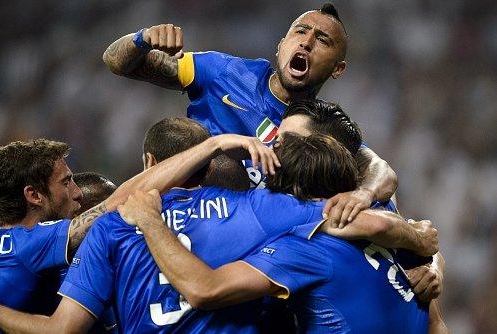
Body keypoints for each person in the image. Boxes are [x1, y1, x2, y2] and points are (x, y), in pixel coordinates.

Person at [0, 133, 437, 333]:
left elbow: (61, 332)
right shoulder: (262, 210)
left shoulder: (111, 227)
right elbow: (351, 221)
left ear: (150, 165)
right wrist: (419, 241)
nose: (78, 193)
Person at [103, 3, 398, 224]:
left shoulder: (323, 126)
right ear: (281, 46)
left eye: (322, 40)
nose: (306, 42)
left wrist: (364, 194)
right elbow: (116, 62)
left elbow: (382, 174)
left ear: (338, 68)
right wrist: (142, 39)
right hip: (183, 217)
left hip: (256, 248)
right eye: (300, 31)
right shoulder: (225, 73)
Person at [0, 135, 273, 334]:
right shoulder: (32, 244)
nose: (75, 193)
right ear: (34, 196)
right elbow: (116, 204)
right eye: (66, 182)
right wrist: (212, 145)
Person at [116, 138, 435, 333]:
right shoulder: (382, 220)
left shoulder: (305, 249)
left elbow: (205, 289)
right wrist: (424, 245)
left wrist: (151, 222)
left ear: (291, 192)